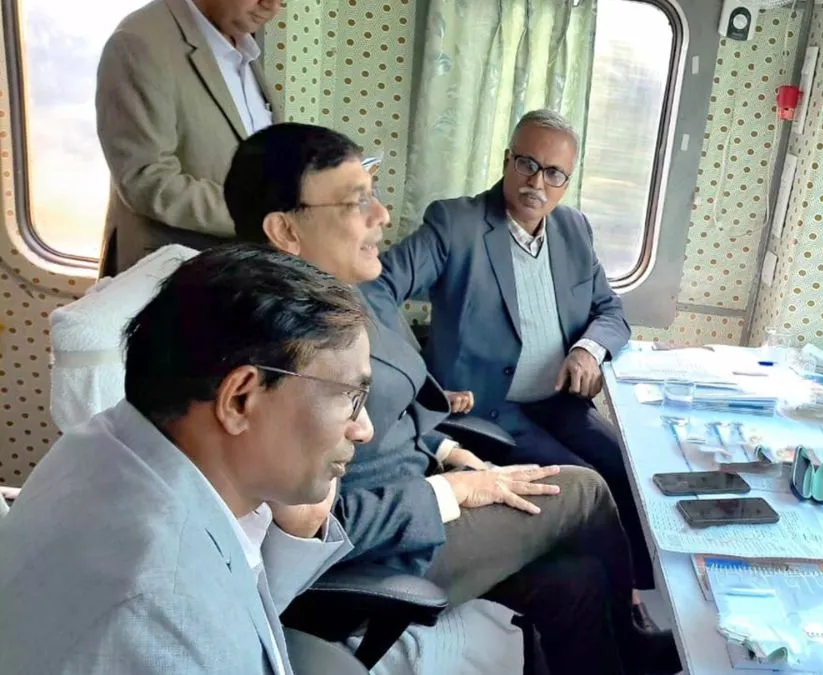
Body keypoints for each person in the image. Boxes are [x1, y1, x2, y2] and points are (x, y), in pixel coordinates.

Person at [227, 123, 681, 675]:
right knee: (585, 492)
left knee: (577, 580)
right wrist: (451, 490)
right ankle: (635, 642)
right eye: (356, 202)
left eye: (555, 173)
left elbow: (390, 419)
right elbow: (320, 526)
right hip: (391, 544)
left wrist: (445, 450)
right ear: (285, 230)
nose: (382, 216)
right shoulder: (291, 354)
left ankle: (622, 654)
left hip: (436, 476)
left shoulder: (341, 298)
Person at [0, 245, 368, 674]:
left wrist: (297, 528)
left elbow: (233, 602)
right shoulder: (160, 617)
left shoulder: (106, 441)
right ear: (239, 399)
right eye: (350, 396)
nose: (363, 429)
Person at [362, 109, 654, 592]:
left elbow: (610, 310)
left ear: (567, 182)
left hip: (559, 402)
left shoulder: (574, 230)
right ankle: (615, 604)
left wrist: (587, 350)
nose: (537, 182)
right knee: (585, 484)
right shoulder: (455, 223)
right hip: (489, 411)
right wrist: (417, 381)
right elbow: (375, 287)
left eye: (554, 173)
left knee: (628, 469)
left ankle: (639, 591)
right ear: (506, 160)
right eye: (527, 164)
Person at [95, 0, 283, 276]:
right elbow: (147, 180)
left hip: (241, 271)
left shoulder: (240, 43)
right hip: (173, 276)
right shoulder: (139, 42)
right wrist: (265, 217)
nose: (273, 6)